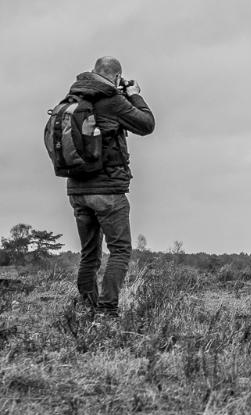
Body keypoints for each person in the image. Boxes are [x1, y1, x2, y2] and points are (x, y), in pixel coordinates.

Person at [65, 56, 155, 317]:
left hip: (77, 190)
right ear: (116, 78)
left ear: (93, 73)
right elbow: (146, 124)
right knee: (120, 250)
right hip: (107, 191)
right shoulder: (112, 100)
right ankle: (107, 310)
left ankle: (87, 305)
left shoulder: (72, 99)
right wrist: (134, 95)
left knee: (89, 252)